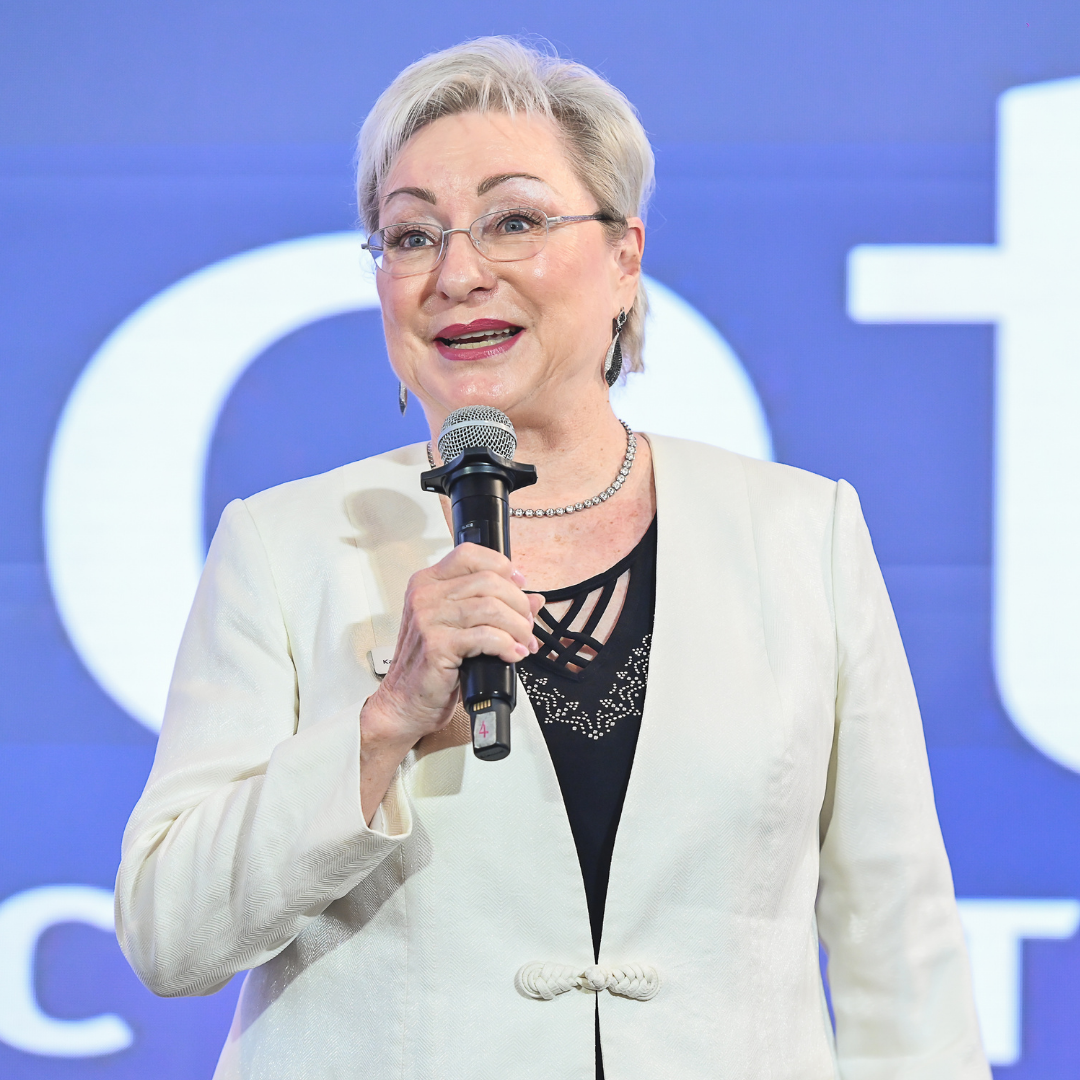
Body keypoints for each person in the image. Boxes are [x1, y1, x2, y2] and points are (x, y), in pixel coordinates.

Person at [115, 36, 990, 1080]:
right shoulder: (285, 545)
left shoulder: (803, 534)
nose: (456, 273)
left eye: (514, 220)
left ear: (625, 255)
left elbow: (900, 944)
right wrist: (381, 727)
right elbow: (169, 935)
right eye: (409, 236)